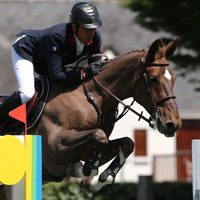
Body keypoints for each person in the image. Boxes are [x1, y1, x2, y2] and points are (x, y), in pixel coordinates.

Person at [0, 1, 103, 125]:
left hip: (46, 60)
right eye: (87, 29)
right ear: (74, 26)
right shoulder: (58, 36)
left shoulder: (95, 38)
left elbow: (96, 71)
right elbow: (57, 76)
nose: (91, 33)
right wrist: (83, 73)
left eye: (93, 28)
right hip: (26, 49)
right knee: (27, 93)